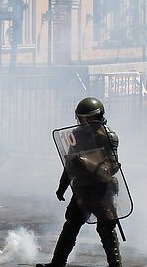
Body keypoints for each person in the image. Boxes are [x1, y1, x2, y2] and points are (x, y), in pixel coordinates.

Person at [36, 97, 122, 267]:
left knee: (106, 229)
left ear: (96, 116)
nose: (82, 122)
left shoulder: (107, 135)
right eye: (80, 118)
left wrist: (86, 163)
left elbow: (112, 166)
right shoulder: (76, 135)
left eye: (85, 118)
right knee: (71, 226)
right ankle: (57, 263)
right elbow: (69, 164)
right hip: (82, 189)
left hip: (101, 190)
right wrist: (62, 187)